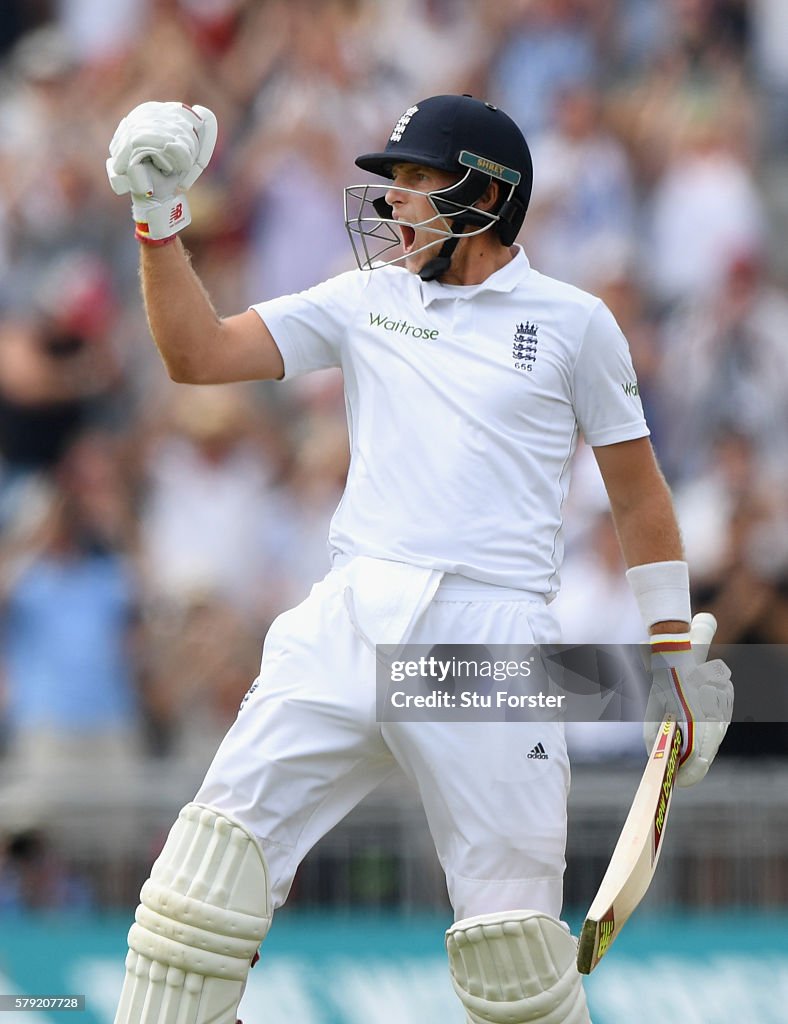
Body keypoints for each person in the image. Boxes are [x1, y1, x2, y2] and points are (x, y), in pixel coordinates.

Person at [105, 96, 733, 1024]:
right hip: (347, 615)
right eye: (390, 182)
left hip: (488, 643)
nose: (392, 202)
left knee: (513, 968)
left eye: (414, 182)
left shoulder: (575, 323)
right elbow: (199, 356)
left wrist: (673, 650)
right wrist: (158, 223)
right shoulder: (366, 297)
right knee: (189, 913)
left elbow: (638, 493)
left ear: (486, 195)